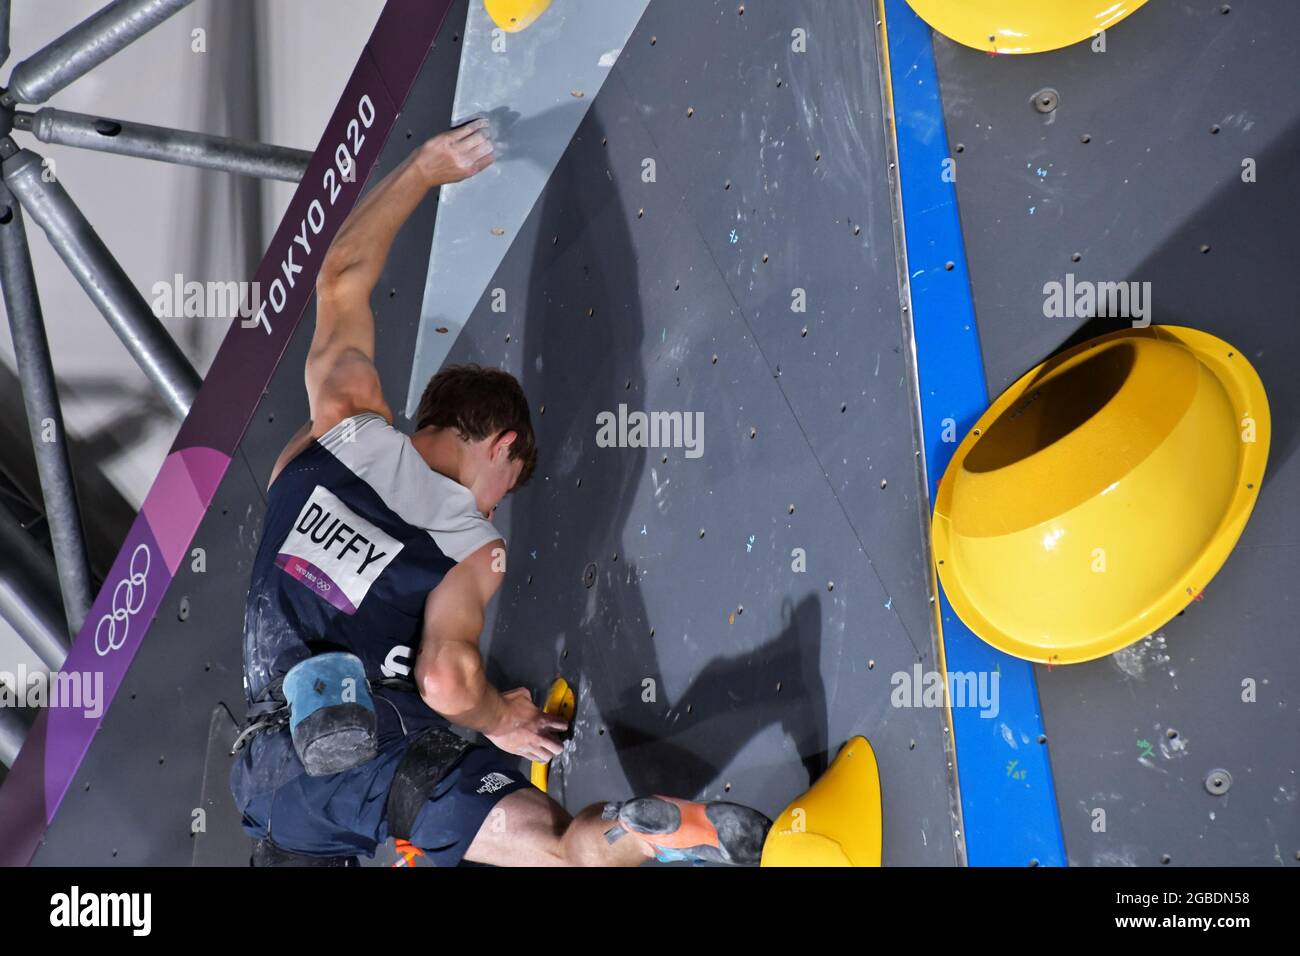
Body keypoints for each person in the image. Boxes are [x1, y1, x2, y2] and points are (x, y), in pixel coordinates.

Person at [229, 121, 771, 866]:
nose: (489, 507)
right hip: (378, 765)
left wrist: (422, 168)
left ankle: (663, 834)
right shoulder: (472, 545)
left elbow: (341, 274)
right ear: (503, 445)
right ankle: (663, 828)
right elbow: (446, 680)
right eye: (502, 490)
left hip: (268, 772)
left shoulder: (339, 424)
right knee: (555, 844)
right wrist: (501, 720)